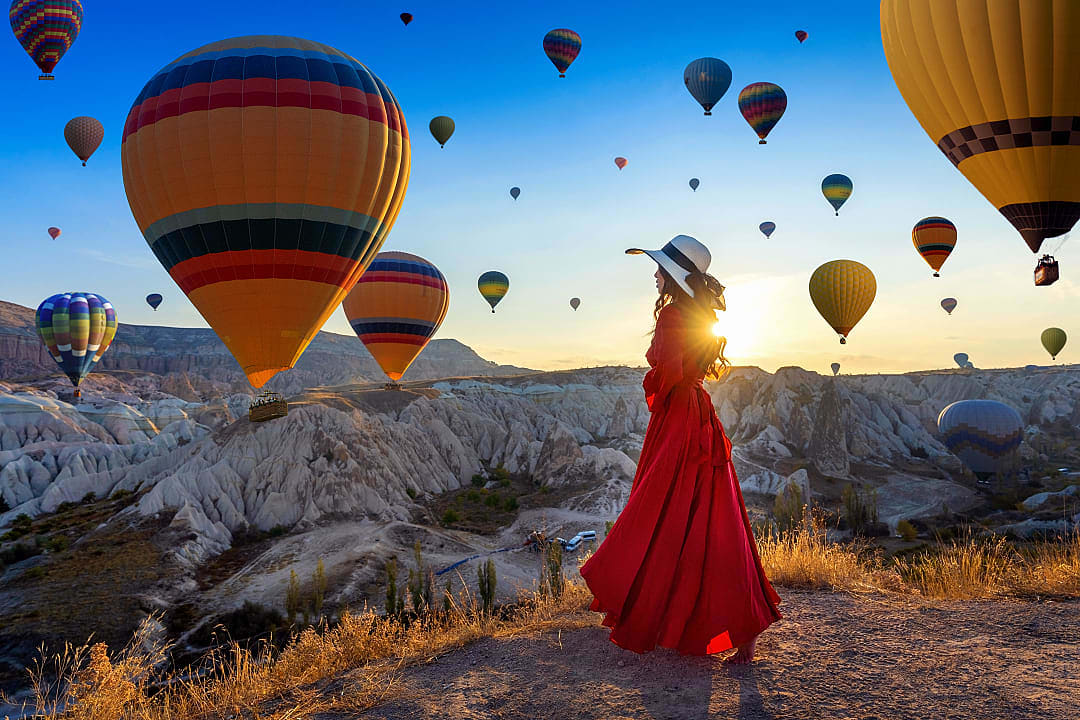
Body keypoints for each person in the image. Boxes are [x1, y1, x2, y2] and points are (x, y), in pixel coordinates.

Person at [580, 234, 781, 663]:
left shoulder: (673, 314)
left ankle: (659, 615)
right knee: (713, 518)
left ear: (673, 276)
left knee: (660, 514)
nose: (655, 275)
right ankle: (741, 625)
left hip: (678, 420)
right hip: (698, 413)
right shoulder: (699, 316)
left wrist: (655, 380)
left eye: (659, 269)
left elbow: (665, 372)